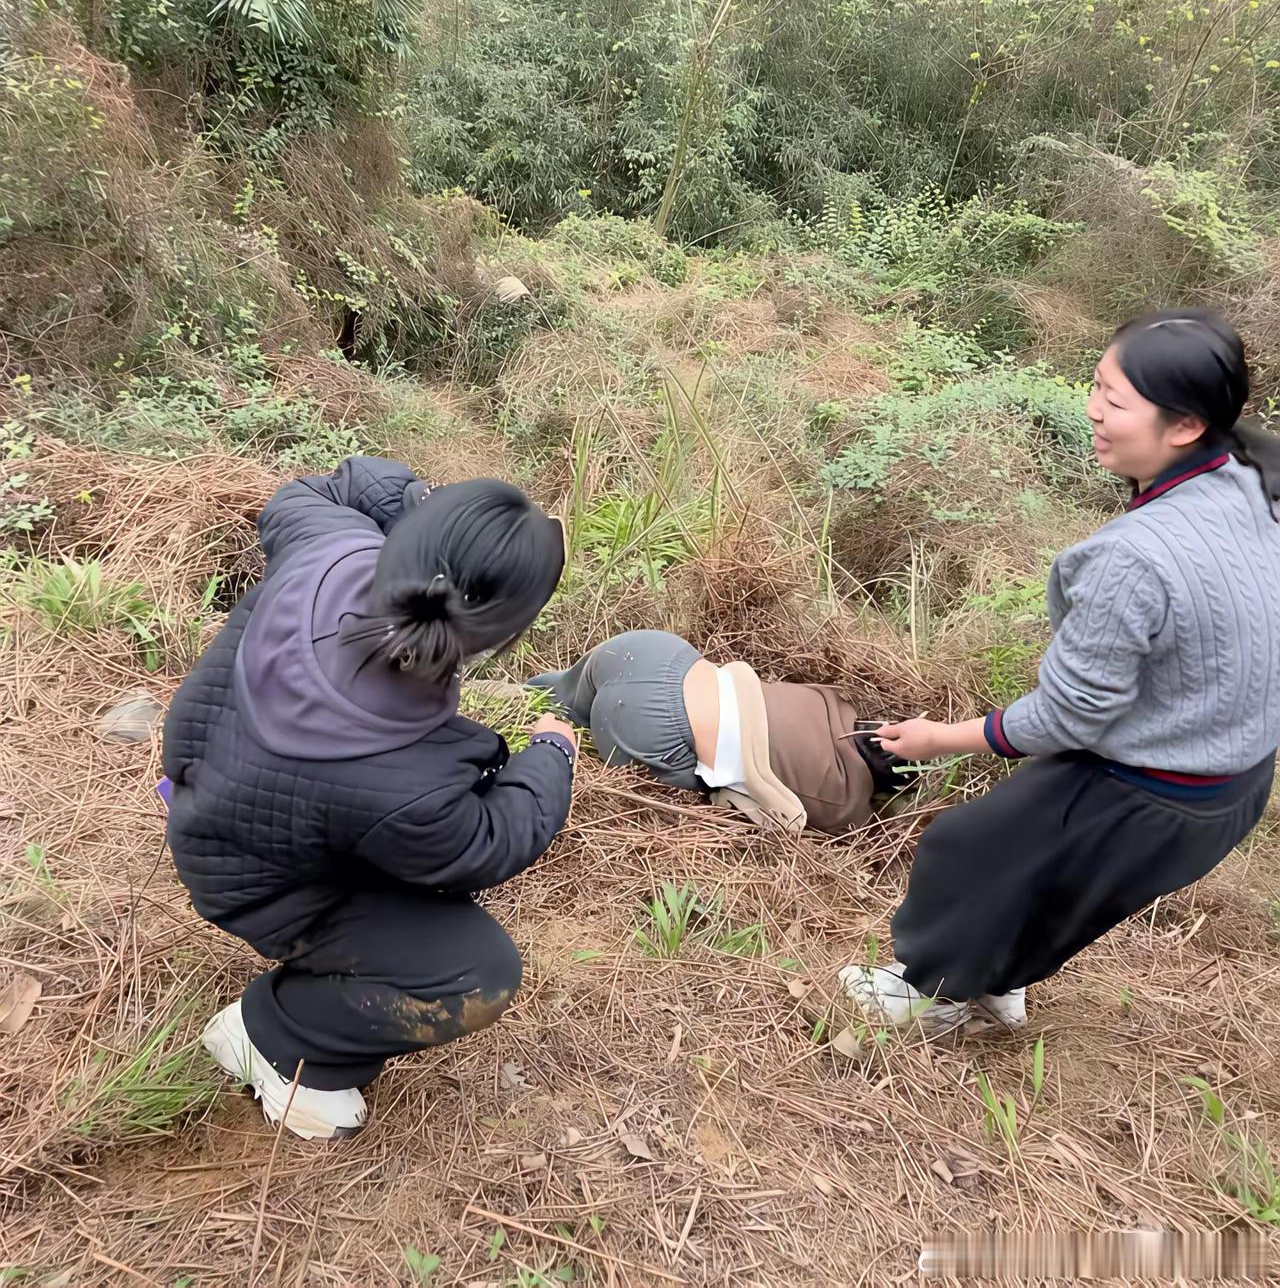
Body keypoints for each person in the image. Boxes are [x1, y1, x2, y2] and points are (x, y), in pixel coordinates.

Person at [838, 309, 1280, 1035]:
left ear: (1186, 425)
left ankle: (925, 999)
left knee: (967, 852)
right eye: (1096, 385)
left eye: (1117, 400)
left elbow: (1071, 714)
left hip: (1159, 785)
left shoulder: (1130, 559)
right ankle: (995, 983)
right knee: (1053, 883)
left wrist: (938, 738)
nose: (1093, 410)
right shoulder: (1250, 476)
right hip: (1234, 779)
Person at [163, 457, 574, 1140]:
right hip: (255, 880)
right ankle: (273, 1037)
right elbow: (491, 840)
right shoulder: (415, 781)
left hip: (209, 792)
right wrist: (552, 754)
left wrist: (415, 499)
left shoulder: (329, 546)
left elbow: (320, 488)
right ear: (502, 636)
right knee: (479, 973)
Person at [526, 632, 909, 833]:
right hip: (656, 724)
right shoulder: (846, 805)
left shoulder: (833, 701)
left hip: (658, 653)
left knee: (550, 695)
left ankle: (496, 694)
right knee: (683, 782)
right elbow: (785, 822)